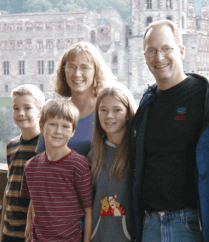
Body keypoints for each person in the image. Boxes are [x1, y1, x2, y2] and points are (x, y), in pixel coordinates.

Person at [127, 20, 209, 242]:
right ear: (144, 57)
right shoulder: (147, 104)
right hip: (150, 224)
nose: (159, 57)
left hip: (192, 224)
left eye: (167, 49)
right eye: (152, 51)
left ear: (182, 51)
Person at [20, 99, 93, 242]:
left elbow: (88, 209)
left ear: (72, 132)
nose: (58, 131)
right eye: (52, 124)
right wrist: (29, 225)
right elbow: (34, 201)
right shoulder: (30, 166)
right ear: (41, 127)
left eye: (65, 126)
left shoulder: (79, 165)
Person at [36, 42, 115, 157]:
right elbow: (40, 158)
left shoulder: (106, 112)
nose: (77, 74)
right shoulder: (55, 110)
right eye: (71, 67)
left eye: (84, 67)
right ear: (64, 71)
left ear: (96, 71)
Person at [89, 84, 136, 241]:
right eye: (103, 110)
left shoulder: (137, 151)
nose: (109, 115)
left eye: (117, 110)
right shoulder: (93, 153)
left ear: (128, 114)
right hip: (98, 236)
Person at [0, 84, 45, 242]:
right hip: (9, 230)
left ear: (40, 110)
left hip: (30, 233)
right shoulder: (11, 146)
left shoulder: (44, 146)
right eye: (16, 108)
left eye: (27, 108)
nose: (21, 113)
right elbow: (9, 188)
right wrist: (1, 229)